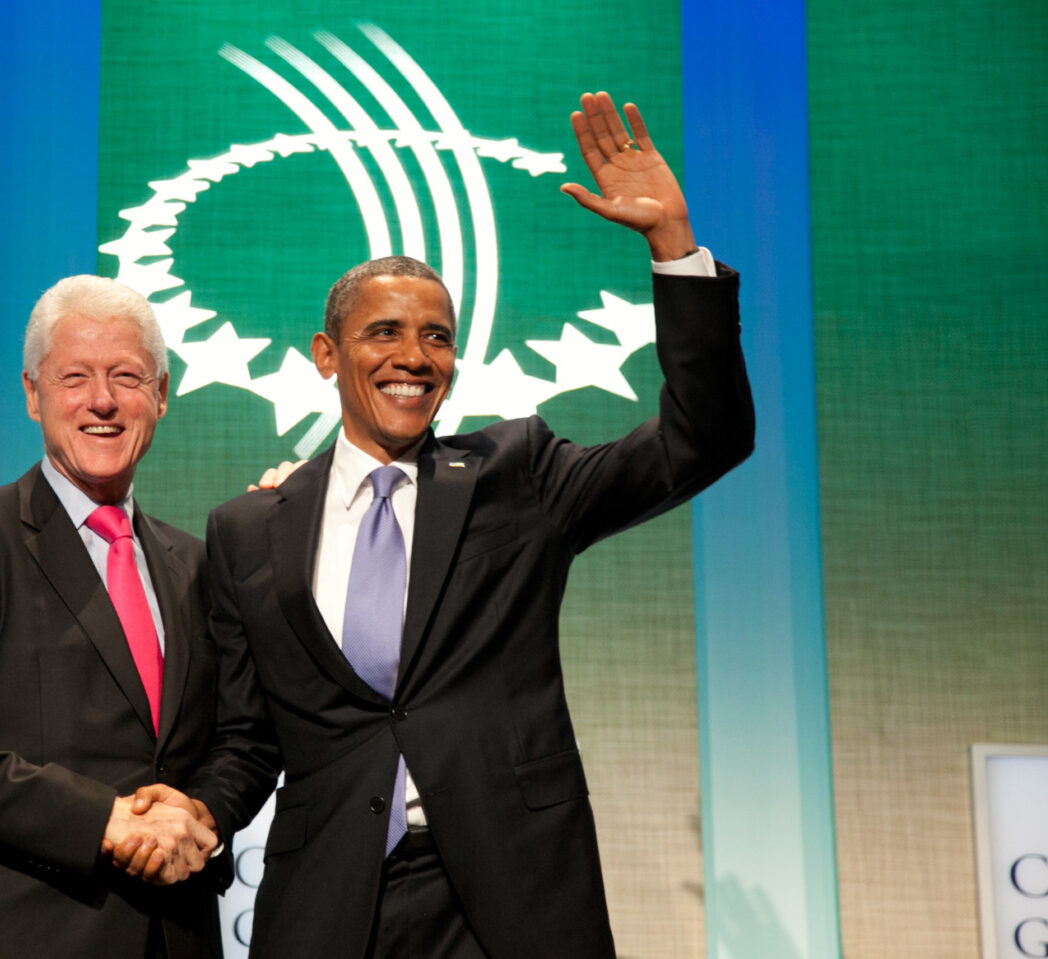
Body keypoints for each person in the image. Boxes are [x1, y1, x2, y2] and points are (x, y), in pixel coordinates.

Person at [173, 92, 757, 958]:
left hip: (508, 895)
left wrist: (673, 248)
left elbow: (699, 440)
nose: (414, 357)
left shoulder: (515, 475)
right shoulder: (250, 528)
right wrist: (196, 814)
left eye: (437, 337)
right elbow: (251, 736)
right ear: (326, 355)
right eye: (384, 333)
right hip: (329, 902)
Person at [0, 275, 226, 959]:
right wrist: (103, 821)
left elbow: (230, 739)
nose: (102, 400)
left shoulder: (197, 564)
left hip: (171, 936)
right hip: (5, 935)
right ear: (33, 393)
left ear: (162, 393)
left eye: (126, 376)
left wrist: (198, 814)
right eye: (75, 377)